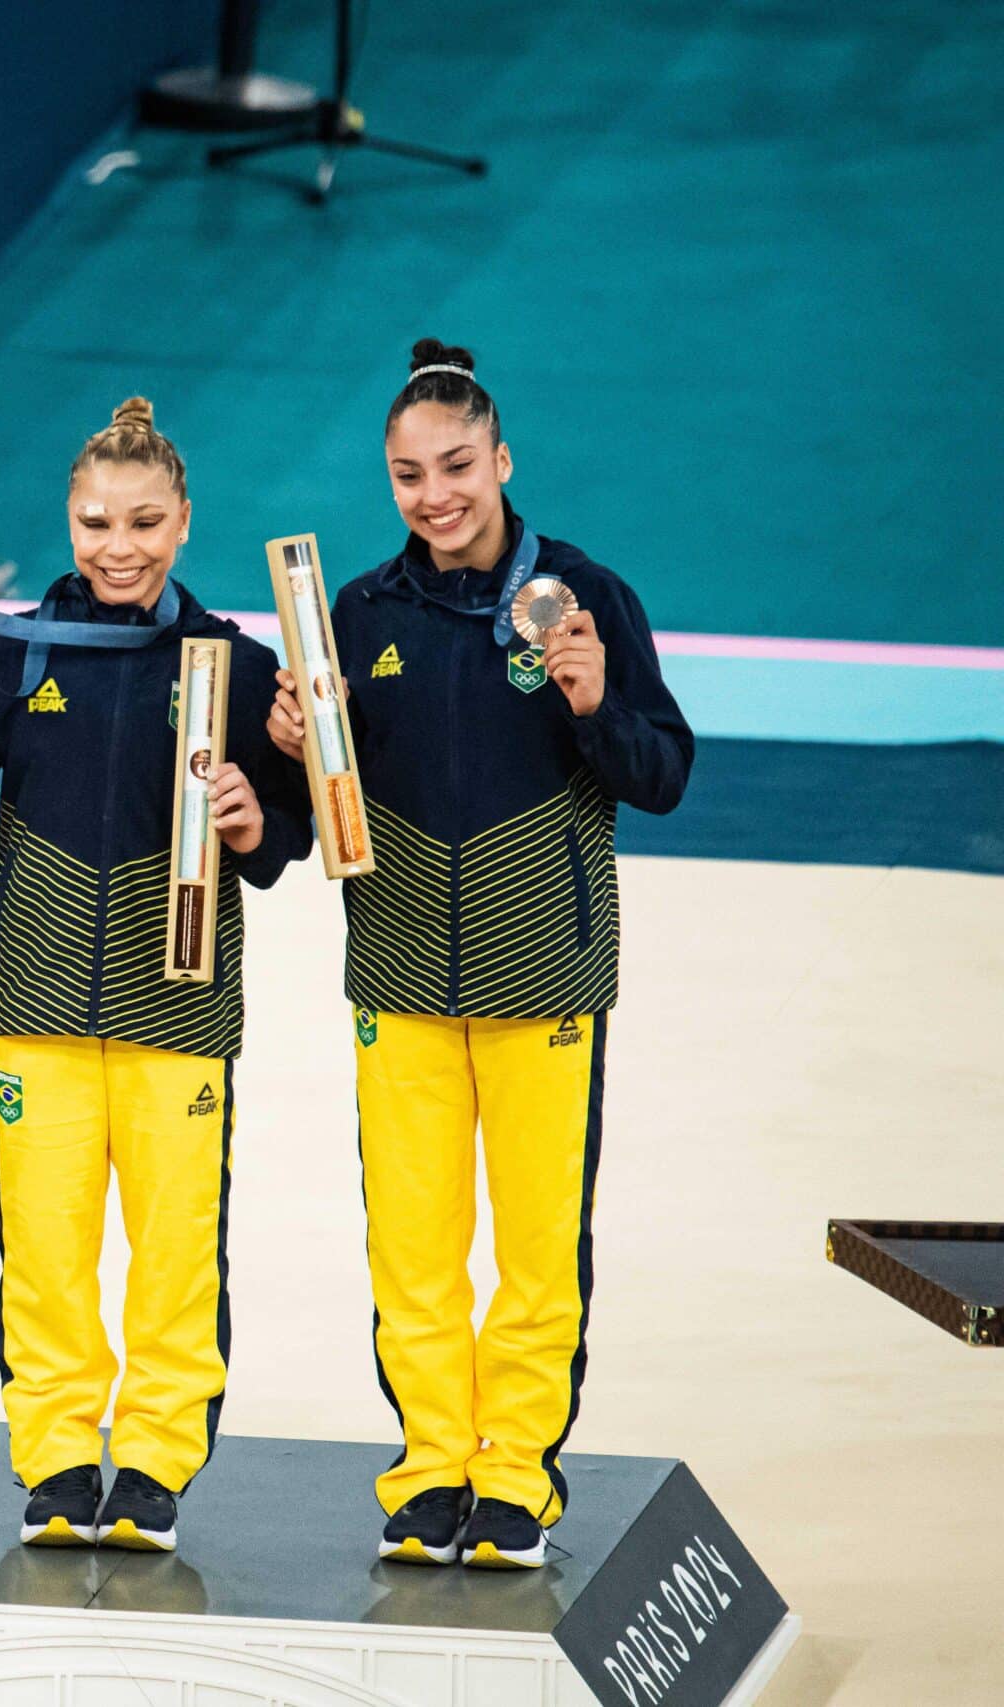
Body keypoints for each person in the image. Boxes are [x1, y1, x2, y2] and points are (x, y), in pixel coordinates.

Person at [268, 340, 691, 1569]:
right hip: (398, 979)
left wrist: (595, 702)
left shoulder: (586, 597)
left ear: (500, 459)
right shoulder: (356, 612)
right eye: (407, 474)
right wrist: (297, 750)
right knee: (410, 1244)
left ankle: (514, 1474)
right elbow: (319, 823)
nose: (434, 494)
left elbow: (660, 777)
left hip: (542, 980)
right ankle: (428, 1471)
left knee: (536, 1246)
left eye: (456, 465)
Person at [0, 399, 309, 1551]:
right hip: (35, 1008)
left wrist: (244, 819)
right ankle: (56, 1457)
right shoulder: (16, 652)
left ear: (183, 523)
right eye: (94, 523)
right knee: (42, 1248)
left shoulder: (236, 664)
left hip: (176, 1012)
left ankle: (152, 1462)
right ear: (68, 523)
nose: (116, 546)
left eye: (141, 522)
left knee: (177, 1249)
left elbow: (287, 848)